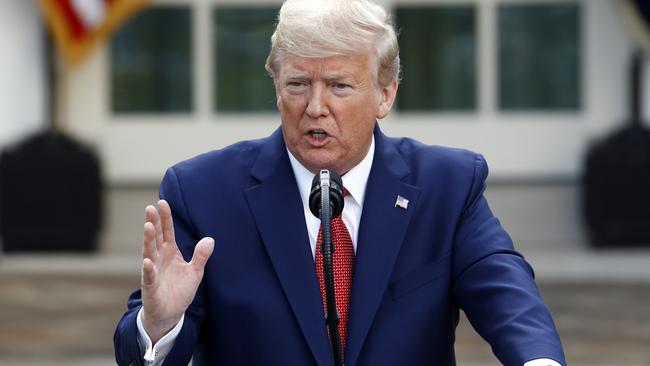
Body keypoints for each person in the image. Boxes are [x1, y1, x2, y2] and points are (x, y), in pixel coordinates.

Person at [114, 0, 566, 365]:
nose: (315, 107)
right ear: (276, 88)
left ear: (385, 93)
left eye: (339, 86)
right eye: (297, 84)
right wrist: (160, 326)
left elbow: (509, 298)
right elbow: (143, 350)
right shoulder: (201, 192)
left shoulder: (447, 186)